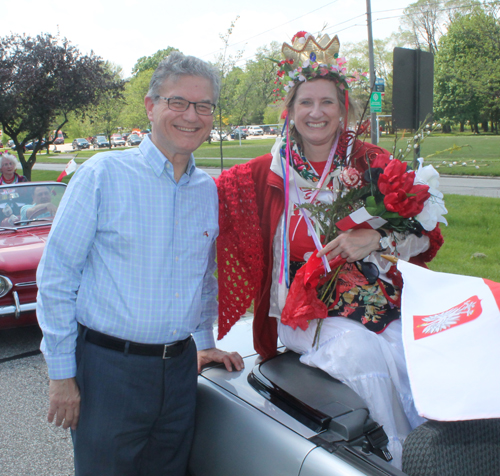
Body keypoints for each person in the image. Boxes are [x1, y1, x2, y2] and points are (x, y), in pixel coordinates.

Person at [215, 32, 444, 469]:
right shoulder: (263, 173)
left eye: (327, 103)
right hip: (302, 309)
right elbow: (197, 206)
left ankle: (437, 453)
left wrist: (377, 239)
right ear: (290, 111)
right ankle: (395, 460)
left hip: (374, 298)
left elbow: (425, 236)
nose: (316, 113)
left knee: (408, 347)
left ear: (344, 111)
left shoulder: (372, 162)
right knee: (359, 352)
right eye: (306, 102)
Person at [37, 52, 244, 476]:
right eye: (178, 102)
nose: (192, 115)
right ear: (151, 106)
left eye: (204, 105)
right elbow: (57, 278)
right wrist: (61, 375)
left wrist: (204, 343)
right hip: (109, 371)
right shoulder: (102, 176)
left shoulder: (206, 190)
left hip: (180, 372)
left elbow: (201, 279)